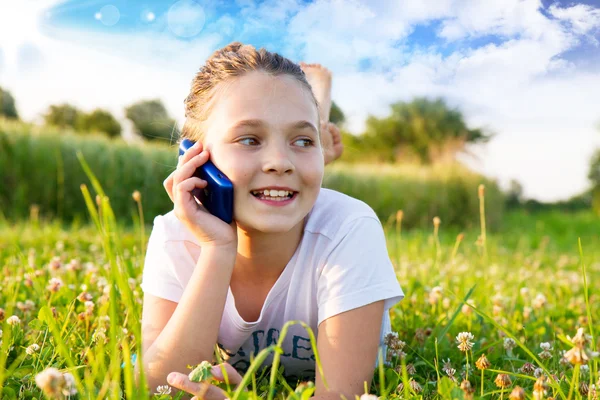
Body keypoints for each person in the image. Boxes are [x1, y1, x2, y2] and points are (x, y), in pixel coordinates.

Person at [136, 42, 404, 400]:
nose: (280, 160)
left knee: (293, 184)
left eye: (302, 140)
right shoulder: (174, 236)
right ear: (195, 157)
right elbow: (157, 388)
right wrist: (216, 249)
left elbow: (340, 395)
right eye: (249, 139)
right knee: (281, 178)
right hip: (272, 201)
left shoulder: (350, 228)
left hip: (318, 219)